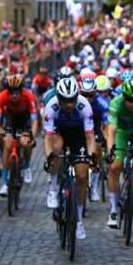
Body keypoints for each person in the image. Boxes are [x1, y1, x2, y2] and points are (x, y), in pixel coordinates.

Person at [43, 77, 97, 240]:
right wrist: (49, 157)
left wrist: (92, 156)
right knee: (57, 148)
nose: (69, 104)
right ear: (58, 98)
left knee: (81, 176)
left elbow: (90, 137)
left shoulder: (84, 106)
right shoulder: (51, 105)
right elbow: (47, 138)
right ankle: (53, 188)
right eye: (65, 100)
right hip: (59, 132)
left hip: (78, 135)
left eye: (72, 100)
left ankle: (79, 219)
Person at [104, 79, 133, 228]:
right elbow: (111, 130)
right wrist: (110, 151)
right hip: (121, 132)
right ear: (123, 97)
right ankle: (113, 209)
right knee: (115, 167)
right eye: (130, 100)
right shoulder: (116, 103)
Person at [0, 75, 38, 196]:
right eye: (12, 92)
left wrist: (32, 135)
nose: (15, 95)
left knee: (26, 142)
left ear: (21, 90)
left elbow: (34, 121)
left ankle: (27, 166)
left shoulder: (29, 96)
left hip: (25, 118)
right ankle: (4, 183)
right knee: (7, 143)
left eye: (17, 92)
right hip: (11, 118)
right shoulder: (1, 96)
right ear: (8, 91)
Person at [80, 77, 108, 202]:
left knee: (96, 150)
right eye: (84, 95)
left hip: (96, 130)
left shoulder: (102, 103)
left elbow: (107, 125)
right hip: (79, 130)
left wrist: (107, 139)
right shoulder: (76, 102)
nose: (87, 99)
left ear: (95, 94)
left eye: (90, 95)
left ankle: (95, 184)